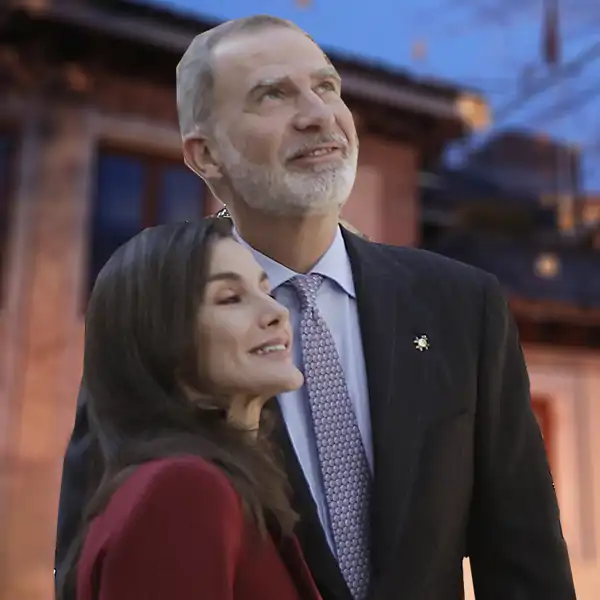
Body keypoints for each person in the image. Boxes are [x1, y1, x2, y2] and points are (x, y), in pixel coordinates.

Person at [56, 14, 577, 600]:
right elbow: (88, 564)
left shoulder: (462, 306)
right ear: (206, 156)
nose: (318, 114)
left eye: (326, 87)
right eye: (272, 94)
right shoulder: (154, 320)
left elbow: (527, 567)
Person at [55, 218, 325, 600]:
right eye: (231, 298)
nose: (277, 312)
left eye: (266, 290)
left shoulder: (206, 483)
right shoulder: (181, 491)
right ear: (161, 335)